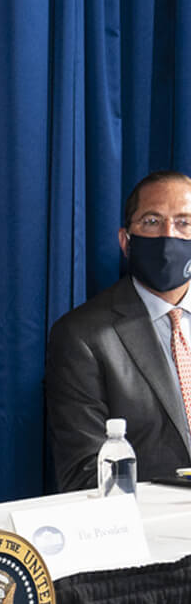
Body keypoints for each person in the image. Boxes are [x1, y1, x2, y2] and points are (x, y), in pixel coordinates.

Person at [47, 170, 191, 491]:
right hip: (150, 529)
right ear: (126, 241)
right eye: (152, 222)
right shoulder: (81, 336)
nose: (169, 236)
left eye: (184, 223)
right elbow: (85, 473)